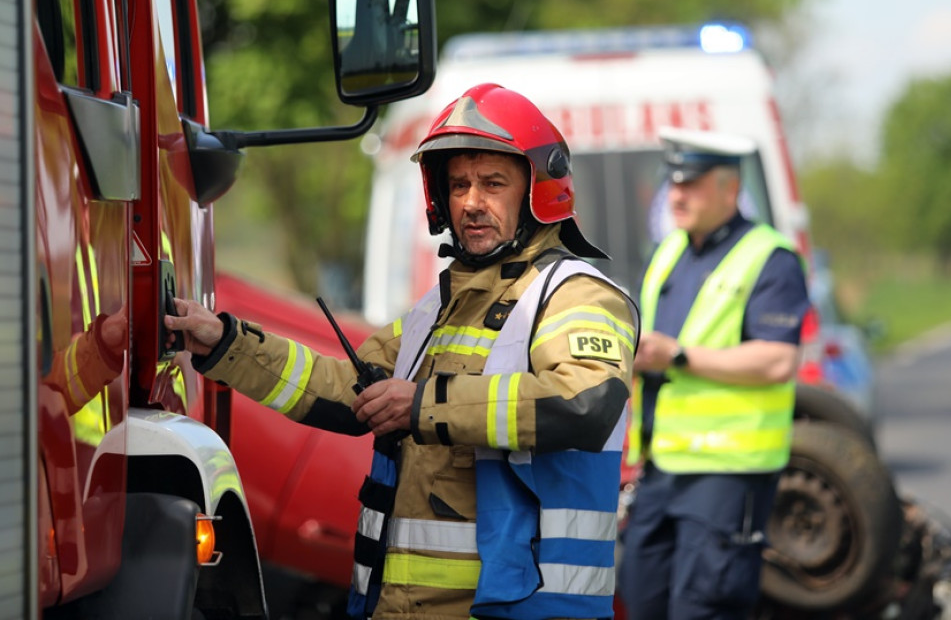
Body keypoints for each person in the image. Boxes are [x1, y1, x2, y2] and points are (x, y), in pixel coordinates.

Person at [165, 83, 638, 620]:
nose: (471, 203)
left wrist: (421, 405)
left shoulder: (576, 294)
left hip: (519, 609)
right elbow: (347, 391)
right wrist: (225, 342)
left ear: (538, 189)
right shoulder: (437, 307)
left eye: (492, 183)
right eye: (458, 184)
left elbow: (583, 402)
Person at [619, 127, 810, 620]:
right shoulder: (668, 252)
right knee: (640, 603)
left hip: (728, 475)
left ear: (730, 188)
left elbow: (777, 360)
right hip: (661, 468)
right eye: (674, 183)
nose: (676, 194)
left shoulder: (771, 258)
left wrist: (679, 356)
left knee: (703, 609)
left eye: (692, 184)